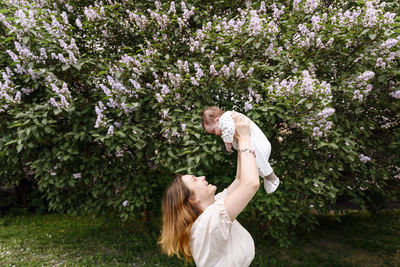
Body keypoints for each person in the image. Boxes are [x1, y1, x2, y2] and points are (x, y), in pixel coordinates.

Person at [159, 113, 259, 266]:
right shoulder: (209, 221)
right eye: (195, 179)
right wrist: (245, 138)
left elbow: (240, 180)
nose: (202, 177)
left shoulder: (215, 205)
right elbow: (250, 183)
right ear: (193, 199)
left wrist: (239, 141)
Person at [201, 106, 280, 194]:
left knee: (259, 162)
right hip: (258, 145)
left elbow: (229, 129)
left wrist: (227, 142)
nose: (216, 134)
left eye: (213, 131)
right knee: (254, 165)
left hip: (258, 145)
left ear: (217, 120)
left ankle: (271, 177)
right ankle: (267, 177)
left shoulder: (225, 118)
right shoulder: (230, 117)